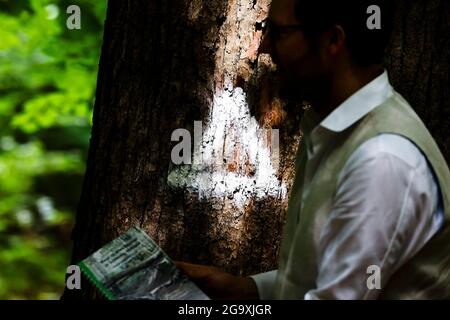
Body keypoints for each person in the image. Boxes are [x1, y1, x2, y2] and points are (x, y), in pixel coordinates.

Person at [176, 0, 450, 299]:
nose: (265, 46)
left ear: (333, 39)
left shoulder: (381, 162)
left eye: (279, 32)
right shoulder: (330, 126)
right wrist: (247, 290)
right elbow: (333, 275)